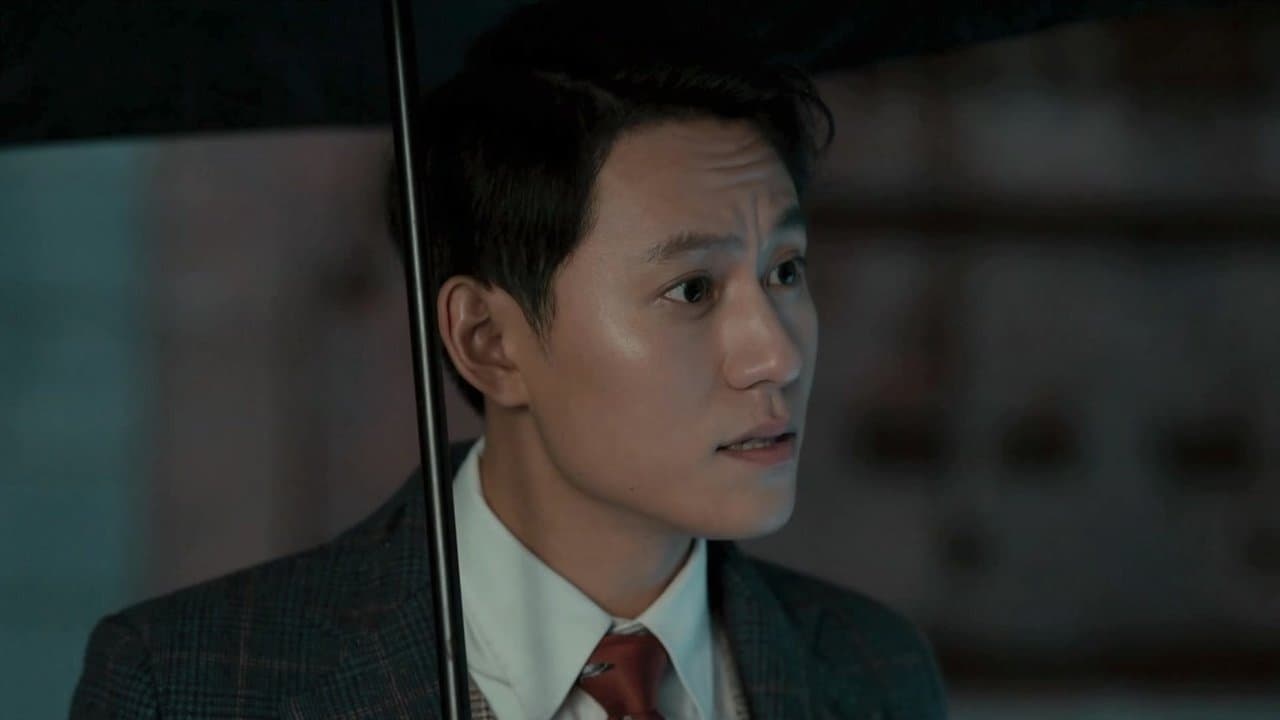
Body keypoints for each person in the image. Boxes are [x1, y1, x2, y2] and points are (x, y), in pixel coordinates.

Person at [71, 3, 948, 717]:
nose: (777, 354)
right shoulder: (192, 686)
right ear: (488, 342)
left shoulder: (874, 670)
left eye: (785, 271)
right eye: (691, 290)